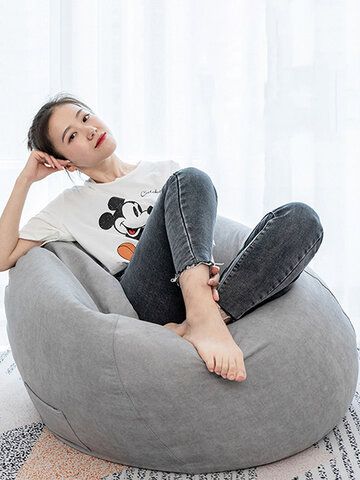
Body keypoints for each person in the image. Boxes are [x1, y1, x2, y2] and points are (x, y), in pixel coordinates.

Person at [0, 93, 324, 385]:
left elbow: (195, 234)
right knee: (189, 179)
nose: (87, 130)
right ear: (65, 161)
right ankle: (204, 314)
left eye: (85, 117)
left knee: (302, 219)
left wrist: (206, 268)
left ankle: (203, 320)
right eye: (71, 136)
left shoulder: (162, 170)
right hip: (150, 295)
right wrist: (25, 178)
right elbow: (4, 257)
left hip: (200, 280)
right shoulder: (67, 207)